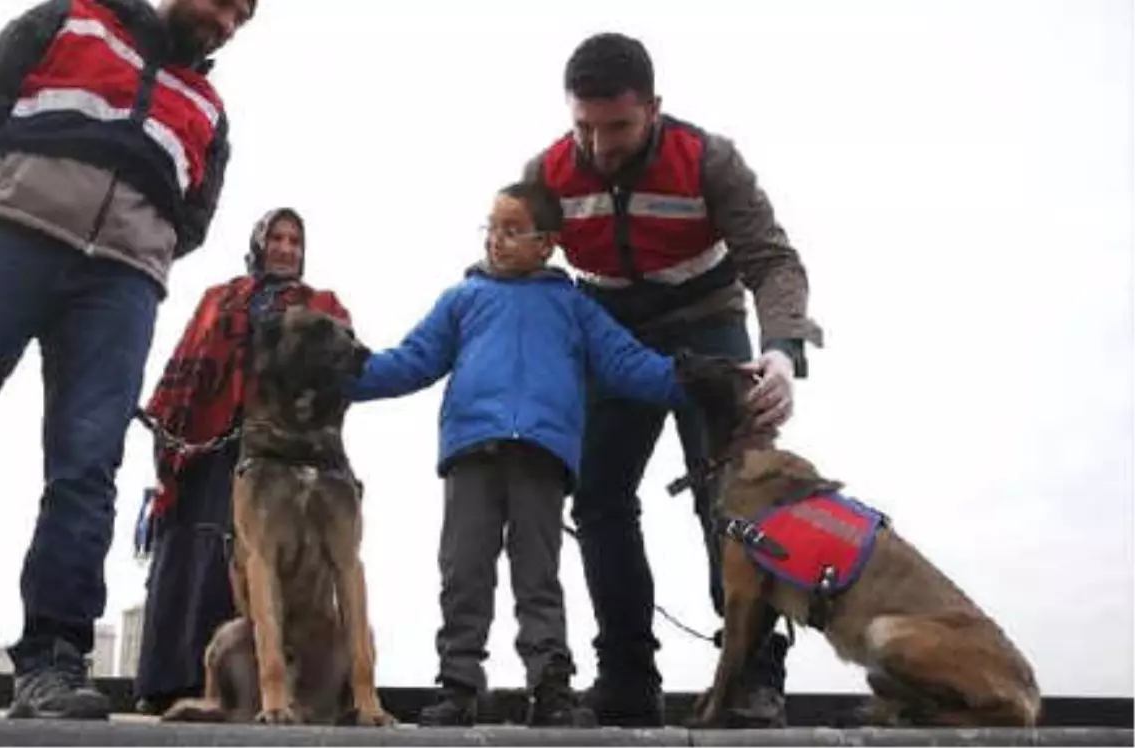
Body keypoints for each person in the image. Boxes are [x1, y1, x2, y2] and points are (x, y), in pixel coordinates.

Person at [0, 0, 253, 721]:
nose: (228, 23)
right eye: (224, 3)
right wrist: (12, 190)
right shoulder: (73, 18)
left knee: (87, 466)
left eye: (243, 17)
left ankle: (53, 660)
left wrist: (142, 248)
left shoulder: (209, 107)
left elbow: (195, 213)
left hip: (119, 283)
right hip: (2, 239)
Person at [520, 32, 825, 727]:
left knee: (733, 497)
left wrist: (780, 350)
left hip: (707, 325)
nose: (600, 147)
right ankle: (625, 674)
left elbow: (774, 262)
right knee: (597, 496)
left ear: (654, 108)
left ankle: (751, 673)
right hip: (610, 334)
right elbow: (519, 266)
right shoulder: (547, 171)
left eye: (618, 126)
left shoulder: (710, 159)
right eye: (583, 128)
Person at [346, 181, 696, 728]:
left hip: (541, 455)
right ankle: (459, 685)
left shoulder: (573, 307)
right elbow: (411, 360)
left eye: (512, 230)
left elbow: (628, 363)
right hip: (471, 452)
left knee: (538, 575)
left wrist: (693, 380)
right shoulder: (462, 299)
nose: (497, 240)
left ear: (546, 244)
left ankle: (550, 688)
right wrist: (339, 377)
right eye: (492, 228)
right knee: (464, 570)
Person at [132, 207, 354, 713]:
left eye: (295, 240)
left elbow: (336, 370)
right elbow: (186, 364)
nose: (284, 248)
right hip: (211, 447)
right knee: (195, 553)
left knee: (262, 562)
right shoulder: (220, 297)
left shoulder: (320, 306)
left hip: (282, 455)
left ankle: (256, 690)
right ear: (259, 244)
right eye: (276, 238)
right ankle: (173, 681)